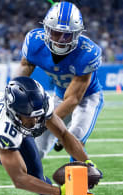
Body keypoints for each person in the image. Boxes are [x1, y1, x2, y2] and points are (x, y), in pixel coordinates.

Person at [15, 1, 104, 162]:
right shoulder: (35, 42)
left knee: (75, 138)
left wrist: (44, 122)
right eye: (56, 33)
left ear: (77, 34)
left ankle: (77, 184)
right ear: (47, 29)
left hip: (86, 98)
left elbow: (73, 99)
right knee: (36, 149)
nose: (61, 40)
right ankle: (35, 182)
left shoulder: (87, 53)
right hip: (59, 95)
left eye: (67, 34)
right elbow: (24, 68)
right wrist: (14, 97)